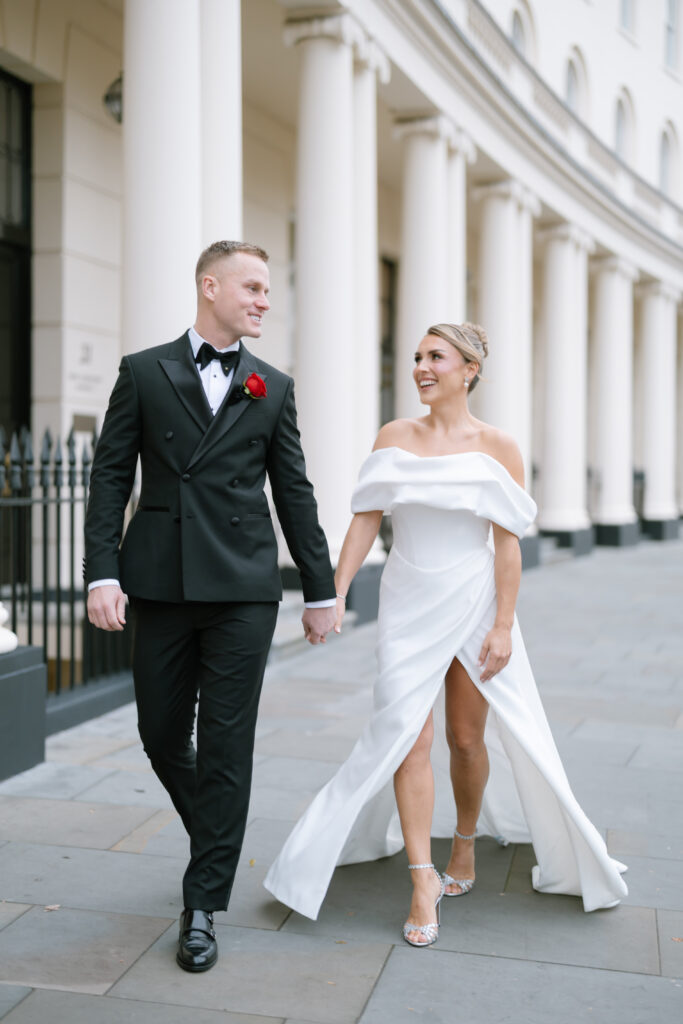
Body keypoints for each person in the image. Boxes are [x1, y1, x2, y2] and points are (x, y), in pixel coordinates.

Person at [264, 322, 627, 946]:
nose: (421, 368)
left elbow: (506, 547)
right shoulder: (393, 437)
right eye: (417, 358)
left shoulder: (499, 447)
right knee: (407, 736)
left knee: (465, 737)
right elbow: (363, 524)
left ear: (469, 369)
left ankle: (463, 842)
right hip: (407, 603)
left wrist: (504, 626)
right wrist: (334, 593)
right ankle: (420, 877)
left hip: (475, 600)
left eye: (436, 357)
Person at [84, 240, 337, 972]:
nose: (263, 299)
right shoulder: (143, 372)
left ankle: (202, 906)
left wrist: (317, 588)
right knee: (161, 733)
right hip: (158, 582)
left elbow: (294, 490)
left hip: (241, 592)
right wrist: (102, 573)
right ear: (210, 286)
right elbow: (108, 480)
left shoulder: (272, 386)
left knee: (227, 746)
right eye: (252, 287)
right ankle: (218, 838)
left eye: (265, 290)